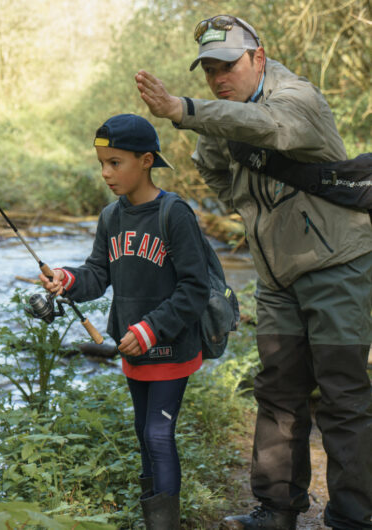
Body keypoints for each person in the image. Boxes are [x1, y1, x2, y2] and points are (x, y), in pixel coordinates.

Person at [134, 15, 372, 530]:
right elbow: (211, 163)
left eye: (228, 65)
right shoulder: (224, 116)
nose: (219, 78)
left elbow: (267, 127)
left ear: (258, 58)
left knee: (343, 393)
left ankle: (355, 517)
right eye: (209, 71)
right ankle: (276, 509)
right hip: (276, 275)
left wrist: (185, 109)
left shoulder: (298, 98)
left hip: (337, 264)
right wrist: (249, 210)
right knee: (278, 391)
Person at [39, 113, 210, 529]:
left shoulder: (175, 214)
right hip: (133, 349)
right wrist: (68, 278)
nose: (105, 173)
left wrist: (150, 328)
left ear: (147, 160)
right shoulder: (110, 217)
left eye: (115, 163)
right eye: (101, 163)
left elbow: (195, 287)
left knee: (157, 434)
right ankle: (155, 515)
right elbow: (98, 274)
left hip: (169, 344)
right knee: (143, 432)